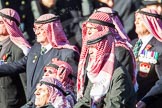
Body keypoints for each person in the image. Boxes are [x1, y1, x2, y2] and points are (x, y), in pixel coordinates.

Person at [0, 13, 79, 107]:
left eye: (41, 29)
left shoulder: (66, 54)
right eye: (36, 28)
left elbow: (73, 88)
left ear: (52, 29)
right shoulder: (35, 49)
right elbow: (17, 65)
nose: (36, 32)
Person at [74, 10, 135, 108]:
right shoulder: (97, 67)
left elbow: (114, 103)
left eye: (92, 28)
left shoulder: (119, 67)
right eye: (87, 28)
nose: (88, 31)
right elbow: (86, 101)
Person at [131, 8, 162, 108]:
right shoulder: (133, 43)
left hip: (149, 102)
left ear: (150, 22)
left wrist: (146, 100)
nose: (136, 22)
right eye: (136, 19)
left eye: (140, 19)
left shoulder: (159, 47)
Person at [0, 8, 31, 108]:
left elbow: (26, 84)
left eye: (0, 22)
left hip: (13, 104)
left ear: (10, 24)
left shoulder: (18, 49)